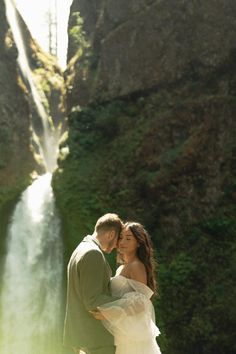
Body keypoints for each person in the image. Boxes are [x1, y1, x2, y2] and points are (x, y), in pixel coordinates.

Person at [91, 221, 162, 354]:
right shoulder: (122, 267)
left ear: (139, 243)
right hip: (124, 333)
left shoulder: (136, 266)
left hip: (134, 336)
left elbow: (141, 303)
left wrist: (109, 313)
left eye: (128, 238)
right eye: (121, 237)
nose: (122, 242)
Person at [63, 213, 124, 354]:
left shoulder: (80, 249)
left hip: (84, 337)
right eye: (117, 240)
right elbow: (93, 301)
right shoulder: (93, 254)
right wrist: (127, 301)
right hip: (95, 340)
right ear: (111, 234)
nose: (116, 246)